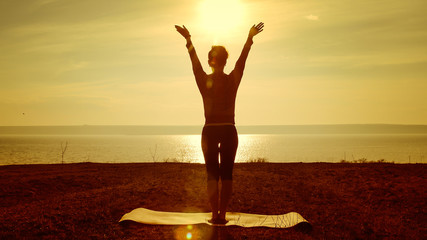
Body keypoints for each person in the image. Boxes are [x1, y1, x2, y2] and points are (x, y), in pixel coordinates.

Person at [175, 22, 264, 224]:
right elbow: (241, 62)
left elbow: (194, 63)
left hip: (210, 131)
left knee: (212, 175)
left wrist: (189, 41)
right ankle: (221, 215)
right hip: (229, 130)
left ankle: (215, 215)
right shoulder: (232, 80)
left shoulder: (203, 80)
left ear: (210, 61)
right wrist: (249, 39)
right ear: (225, 62)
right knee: (227, 174)